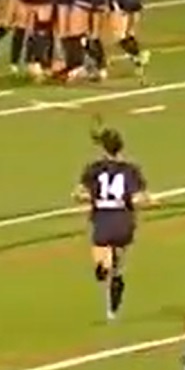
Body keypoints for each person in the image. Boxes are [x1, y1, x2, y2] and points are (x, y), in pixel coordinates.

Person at [75, 128, 150, 319]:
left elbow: (78, 194)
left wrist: (93, 197)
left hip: (102, 219)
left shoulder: (94, 169)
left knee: (101, 256)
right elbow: (138, 198)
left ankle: (105, 267)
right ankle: (114, 277)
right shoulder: (131, 170)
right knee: (118, 260)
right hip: (123, 220)